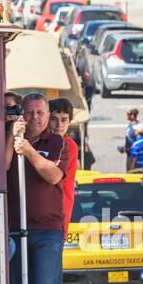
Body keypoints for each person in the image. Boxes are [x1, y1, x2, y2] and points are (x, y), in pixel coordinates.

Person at [5, 93, 68, 284]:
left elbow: (54, 175)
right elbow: (5, 165)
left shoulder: (56, 142)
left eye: (40, 112)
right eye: (29, 113)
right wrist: (12, 137)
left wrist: (29, 150)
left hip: (47, 230)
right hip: (15, 228)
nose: (35, 118)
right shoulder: (13, 137)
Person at [48, 98, 79, 235]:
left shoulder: (68, 145)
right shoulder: (43, 141)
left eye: (64, 119)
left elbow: (52, 176)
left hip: (58, 214)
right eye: (54, 119)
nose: (59, 124)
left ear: (69, 121)